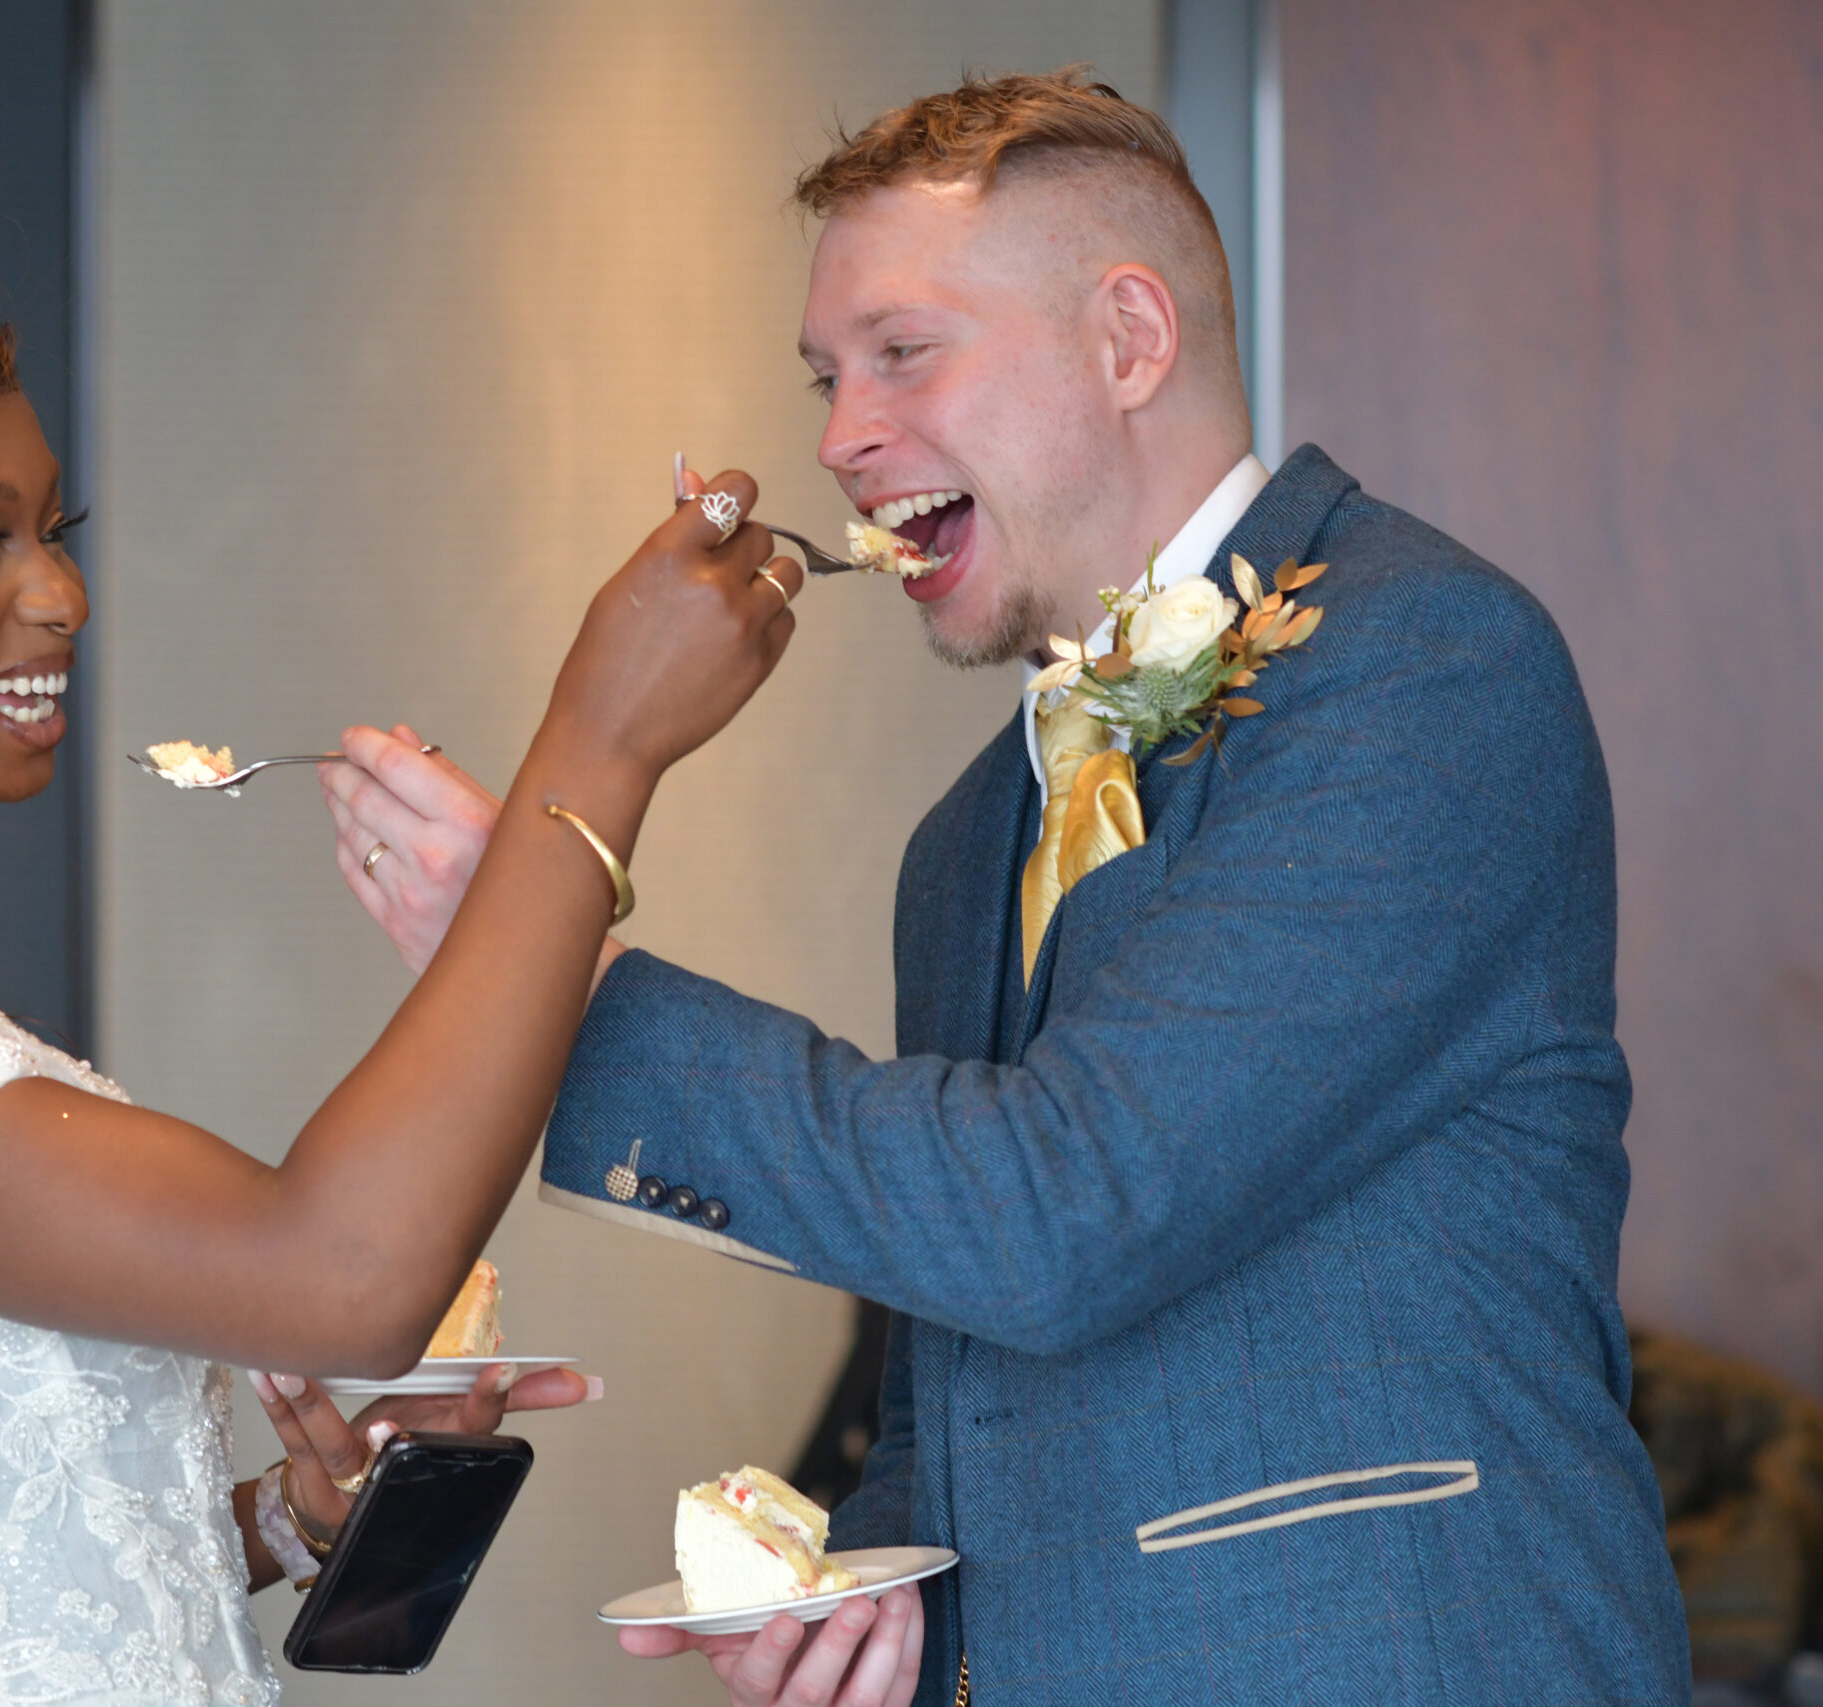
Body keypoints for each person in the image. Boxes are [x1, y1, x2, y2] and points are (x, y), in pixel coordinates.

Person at [321, 73, 1690, 1705]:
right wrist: (880, 1581)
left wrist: (553, 972)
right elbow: (965, 1366)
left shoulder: (1425, 667)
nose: (839, 438)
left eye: (904, 353)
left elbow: (1064, 1212)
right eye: (828, 379)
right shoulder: (968, 836)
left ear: (1129, 340)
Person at [0, 218, 800, 1705]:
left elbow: (5, 1541)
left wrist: (284, 1520)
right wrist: (602, 741)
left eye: (58, 532)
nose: (61, 597)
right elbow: (348, 1274)